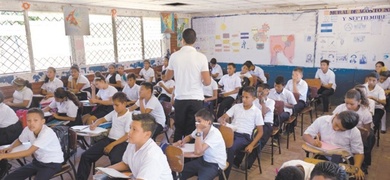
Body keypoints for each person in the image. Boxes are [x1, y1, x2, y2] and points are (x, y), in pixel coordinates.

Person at [164, 28, 211, 142]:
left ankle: (176, 157)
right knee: (192, 130)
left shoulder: (174, 56)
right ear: (194, 41)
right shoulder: (201, 57)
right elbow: (207, 82)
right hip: (196, 99)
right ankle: (191, 158)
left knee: (179, 128)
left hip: (180, 98)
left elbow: (167, 77)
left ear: (182, 40)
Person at [77, 92, 133, 180]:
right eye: (113, 105)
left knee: (116, 162)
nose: (114, 107)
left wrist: (112, 144)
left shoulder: (129, 117)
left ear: (124, 103)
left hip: (120, 142)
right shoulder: (114, 112)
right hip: (109, 139)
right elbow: (103, 119)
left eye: (117, 105)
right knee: (85, 156)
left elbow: (127, 135)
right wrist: (95, 124)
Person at [99, 114, 172, 180]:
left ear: (147, 134)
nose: (129, 132)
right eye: (130, 128)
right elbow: (126, 164)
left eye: (134, 129)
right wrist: (106, 170)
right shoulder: (132, 143)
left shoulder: (152, 155)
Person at [0, 108, 63, 180]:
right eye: (28, 120)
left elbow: (28, 153)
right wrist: (10, 147)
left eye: (35, 120)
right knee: (10, 178)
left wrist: (3, 156)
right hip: (37, 162)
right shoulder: (28, 129)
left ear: (43, 121)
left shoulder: (46, 133)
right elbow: (20, 140)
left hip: (52, 164)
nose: (31, 123)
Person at [303, 111, 364, 180]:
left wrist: (356, 167)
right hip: (324, 155)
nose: (336, 129)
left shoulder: (354, 132)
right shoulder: (322, 120)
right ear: (336, 115)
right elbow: (306, 135)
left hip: (344, 159)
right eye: (336, 125)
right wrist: (313, 142)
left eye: (342, 130)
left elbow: (358, 153)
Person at [218, 86, 264, 178]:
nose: (244, 99)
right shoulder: (236, 107)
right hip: (232, 132)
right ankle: (215, 169)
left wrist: (251, 145)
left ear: (254, 99)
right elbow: (222, 117)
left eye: (247, 97)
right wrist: (222, 120)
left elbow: (260, 132)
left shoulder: (256, 111)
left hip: (244, 137)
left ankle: (223, 177)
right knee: (216, 143)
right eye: (243, 97)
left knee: (230, 148)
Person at [173, 109, 226, 179]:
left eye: (199, 121)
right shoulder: (199, 129)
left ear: (208, 122)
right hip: (203, 160)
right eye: (196, 121)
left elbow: (198, 152)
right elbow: (190, 136)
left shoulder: (214, 134)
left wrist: (199, 131)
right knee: (177, 172)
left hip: (215, 164)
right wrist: (184, 141)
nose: (196, 124)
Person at [332, 88, 374, 174]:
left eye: (352, 104)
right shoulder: (340, 108)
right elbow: (333, 120)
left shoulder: (365, 113)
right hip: (342, 131)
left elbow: (367, 131)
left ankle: (362, 165)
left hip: (360, 134)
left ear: (359, 102)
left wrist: (357, 133)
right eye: (346, 103)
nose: (348, 106)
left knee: (365, 145)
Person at [235, 83, 275, 170]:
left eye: (261, 92)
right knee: (245, 136)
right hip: (254, 124)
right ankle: (236, 161)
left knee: (258, 140)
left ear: (267, 91)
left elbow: (263, 113)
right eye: (258, 91)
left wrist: (262, 102)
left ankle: (248, 163)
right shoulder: (254, 101)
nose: (259, 94)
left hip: (266, 124)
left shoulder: (271, 102)